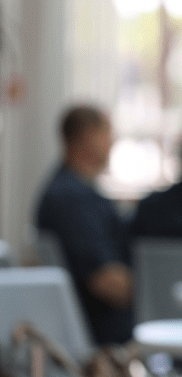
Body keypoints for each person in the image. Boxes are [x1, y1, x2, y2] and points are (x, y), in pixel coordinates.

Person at [35, 104, 134, 345]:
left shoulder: (69, 191)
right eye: (108, 134)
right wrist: (161, 291)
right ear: (90, 137)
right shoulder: (71, 201)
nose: (112, 143)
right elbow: (106, 282)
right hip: (102, 335)